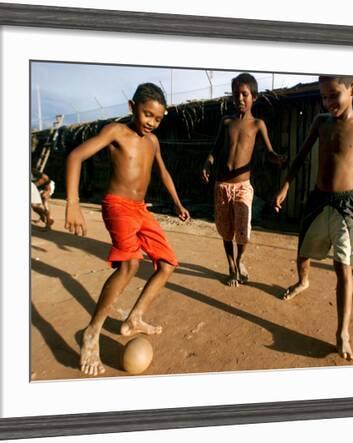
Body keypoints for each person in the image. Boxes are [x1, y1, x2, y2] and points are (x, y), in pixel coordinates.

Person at [65, 83, 190, 376]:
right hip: (117, 205)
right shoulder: (116, 132)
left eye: (158, 119)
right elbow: (75, 157)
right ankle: (92, 331)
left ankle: (134, 317)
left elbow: (163, 172)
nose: (151, 122)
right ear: (132, 107)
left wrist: (177, 202)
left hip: (140, 209)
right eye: (147, 114)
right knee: (129, 264)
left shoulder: (154, 142)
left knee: (168, 264)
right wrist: (73, 202)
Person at [273, 76, 353, 361]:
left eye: (334, 96)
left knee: (343, 267)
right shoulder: (321, 122)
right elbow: (301, 155)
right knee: (303, 251)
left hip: (346, 207)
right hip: (318, 200)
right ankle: (303, 281)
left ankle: (342, 332)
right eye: (324, 97)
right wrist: (285, 185)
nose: (328, 103)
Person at [202, 73, 286, 287]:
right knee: (226, 229)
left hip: (243, 186)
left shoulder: (258, 124)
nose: (239, 98)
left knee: (243, 229)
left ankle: (240, 260)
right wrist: (207, 163)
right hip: (222, 184)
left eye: (244, 94)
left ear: (253, 97)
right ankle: (231, 267)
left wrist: (276, 157)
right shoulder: (227, 121)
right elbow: (216, 147)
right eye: (236, 94)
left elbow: (268, 151)